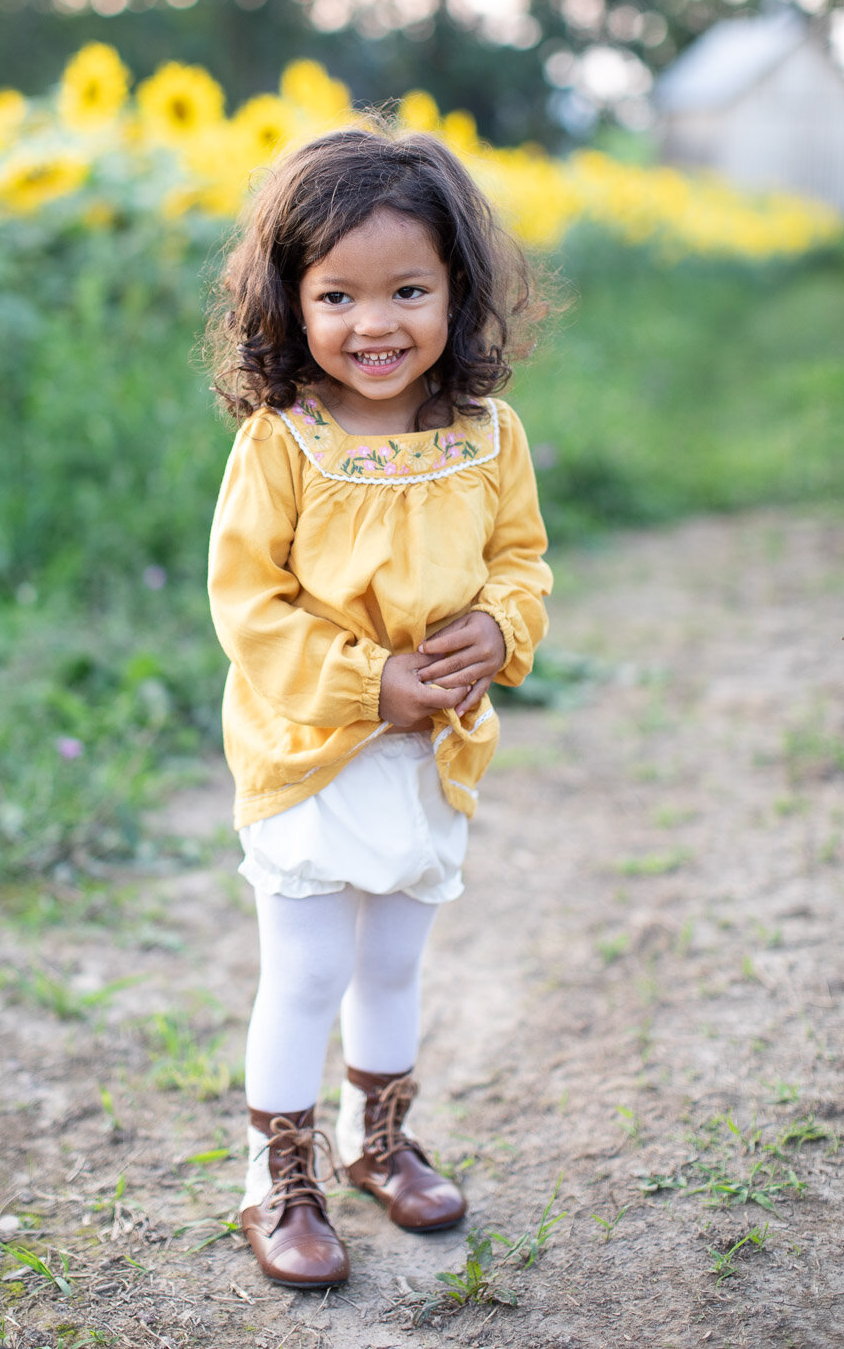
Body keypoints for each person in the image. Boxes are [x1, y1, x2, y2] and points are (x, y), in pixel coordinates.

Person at [205, 124, 552, 1289]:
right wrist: (370, 681)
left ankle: (378, 1138)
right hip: (311, 748)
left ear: (458, 291)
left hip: (433, 752)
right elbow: (249, 605)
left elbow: (521, 561)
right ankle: (276, 1174)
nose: (376, 324)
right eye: (338, 294)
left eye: (409, 289)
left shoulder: (486, 437)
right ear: (290, 304)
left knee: (396, 960)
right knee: (305, 971)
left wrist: (501, 627)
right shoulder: (283, 446)